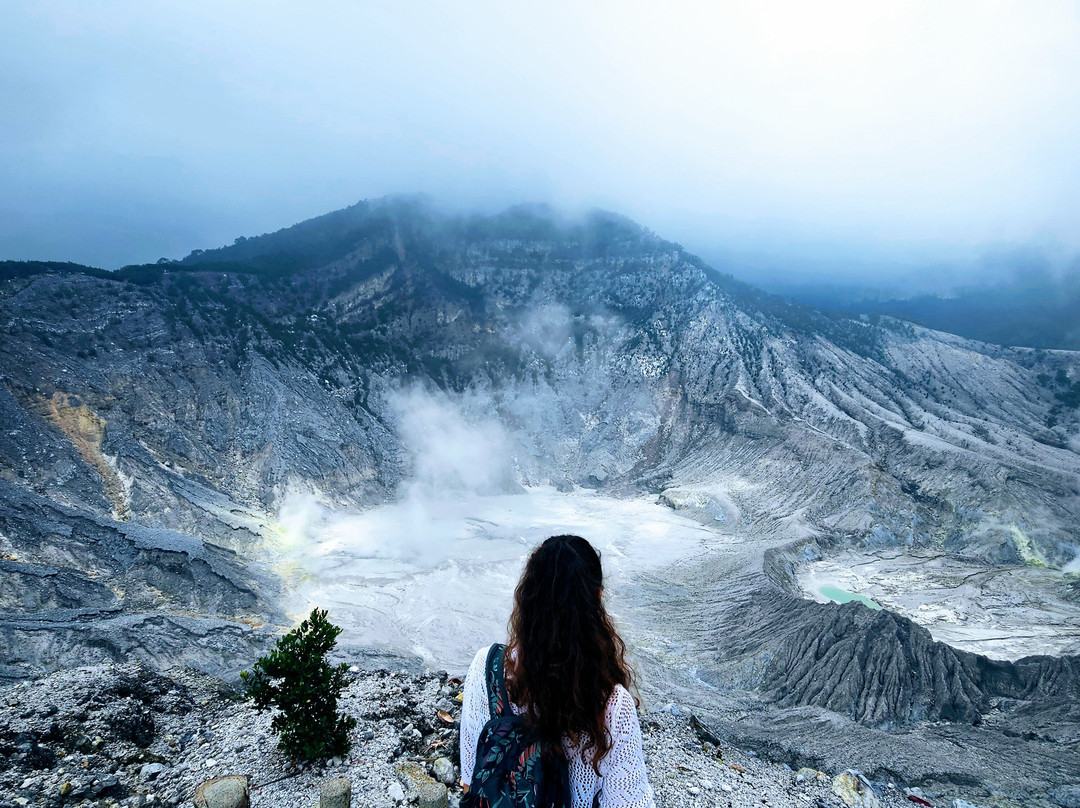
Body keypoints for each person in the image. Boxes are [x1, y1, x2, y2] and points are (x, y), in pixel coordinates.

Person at [460, 534, 655, 808]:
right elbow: (628, 802)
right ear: (597, 599)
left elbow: (470, 781)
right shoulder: (612, 705)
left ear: (526, 597)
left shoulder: (486, 667)